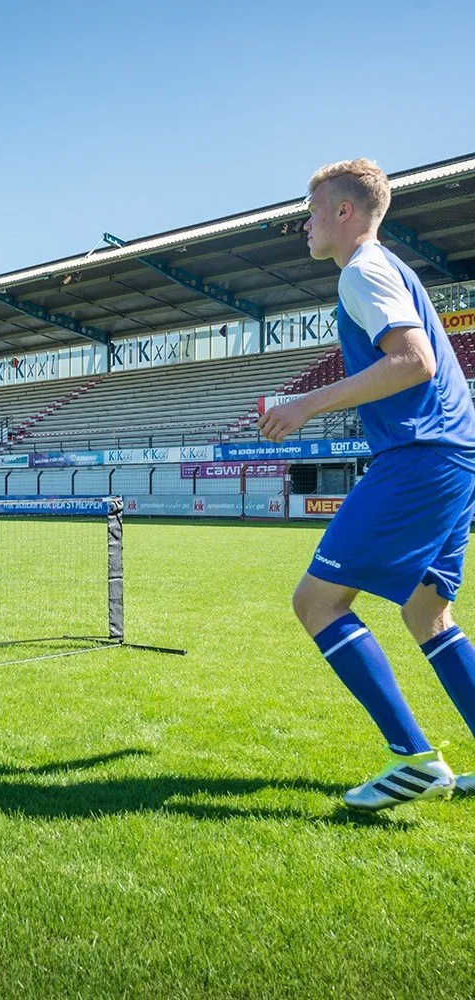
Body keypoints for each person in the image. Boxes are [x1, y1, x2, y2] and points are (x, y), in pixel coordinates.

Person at [258, 158, 475, 811]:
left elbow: (414, 360)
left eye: (313, 209)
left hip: (419, 458)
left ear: (345, 212)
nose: (304, 223)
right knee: (426, 612)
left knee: (317, 602)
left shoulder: (363, 270)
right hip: (454, 458)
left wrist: (306, 405)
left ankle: (414, 761)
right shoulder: (391, 269)